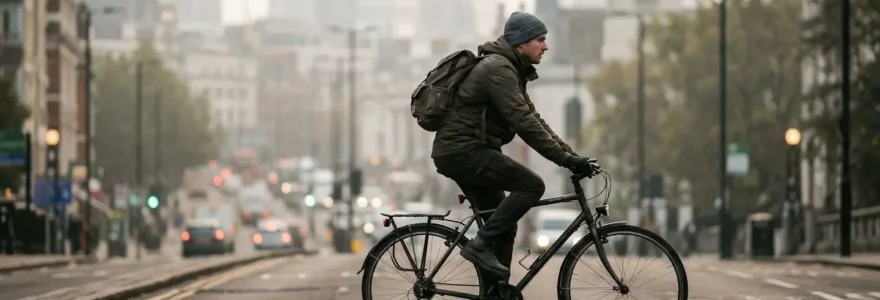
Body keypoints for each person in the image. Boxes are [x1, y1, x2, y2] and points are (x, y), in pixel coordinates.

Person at [431, 11, 601, 279]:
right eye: (540, 40)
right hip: (464, 151)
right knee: (532, 185)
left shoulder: (511, 69)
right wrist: (565, 160)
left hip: (472, 151)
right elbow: (523, 123)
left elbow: (534, 118)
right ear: (521, 43)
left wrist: (572, 155)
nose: (545, 46)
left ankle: (495, 292)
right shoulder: (498, 69)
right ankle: (480, 245)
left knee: (505, 226)